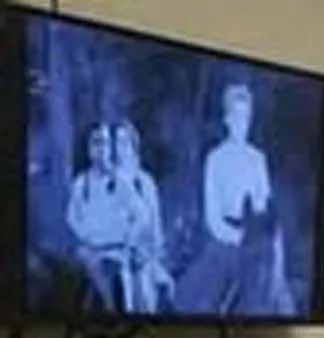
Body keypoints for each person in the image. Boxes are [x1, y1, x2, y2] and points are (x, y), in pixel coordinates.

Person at [179, 82, 285, 316]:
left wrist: (260, 227)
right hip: (225, 242)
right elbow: (212, 216)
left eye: (246, 117)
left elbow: (264, 203)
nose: (242, 124)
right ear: (227, 119)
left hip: (255, 242)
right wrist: (236, 237)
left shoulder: (258, 158)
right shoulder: (215, 158)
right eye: (236, 116)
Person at [110, 121, 171, 314]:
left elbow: (156, 225)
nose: (121, 147)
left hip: (148, 259)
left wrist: (155, 257)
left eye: (125, 141)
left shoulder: (146, 182)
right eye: (117, 143)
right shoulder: (111, 181)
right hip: (123, 257)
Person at [64, 123, 126, 313]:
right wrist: (88, 238)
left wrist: (125, 237)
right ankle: (110, 309)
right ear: (89, 148)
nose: (101, 149)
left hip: (115, 251)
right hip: (89, 250)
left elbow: (139, 216)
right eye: (96, 143)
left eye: (105, 143)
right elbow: (72, 218)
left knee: (100, 269)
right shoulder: (81, 184)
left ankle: (109, 309)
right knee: (88, 260)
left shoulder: (121, 181)